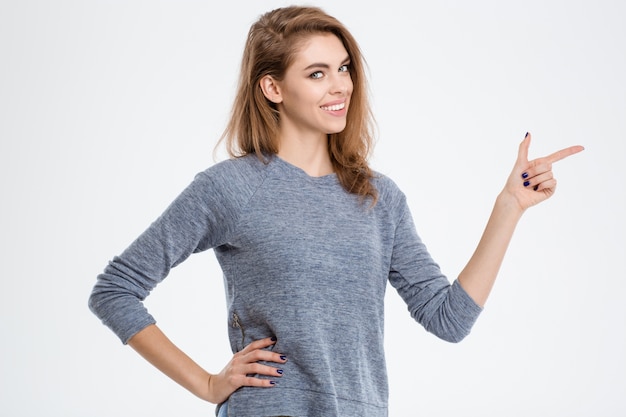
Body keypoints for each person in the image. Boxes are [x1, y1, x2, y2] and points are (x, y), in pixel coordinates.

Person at [88, 6, 583, 417]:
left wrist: (509, 207)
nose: (340, 86)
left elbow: (447, 319)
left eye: (343, 68)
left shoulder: (378, 197)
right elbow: (115, 291)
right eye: (317, 73)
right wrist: (207, 384)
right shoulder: (231, 188)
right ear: (273, 89)